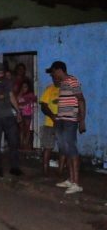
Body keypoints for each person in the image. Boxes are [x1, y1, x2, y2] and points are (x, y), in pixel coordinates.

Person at [48, 61, 86, 194]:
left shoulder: (72, 80)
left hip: (70, 121)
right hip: (61, 120)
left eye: (53, 72)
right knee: (65, 149)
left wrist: (82, 120)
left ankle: (76, 183)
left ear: (59, 70)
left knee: (72, 149)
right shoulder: (63, 83)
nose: (52, 75)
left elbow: (81, 99)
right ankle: (70, 179)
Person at [39, 70, 65, 176]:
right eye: (53, 78)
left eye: (57, 78)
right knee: (47, 147)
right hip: (50, 123)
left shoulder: (66, 90)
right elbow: (43, 106)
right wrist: (53, 116)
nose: (55, 80)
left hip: (63, 123)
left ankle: (60, 171)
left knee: (63, 148)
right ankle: (45, 170)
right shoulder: (49, 89)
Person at [17, 80, 36, 150]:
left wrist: (25, 102)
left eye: (25, 87)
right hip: (20, 113)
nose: (24, 88)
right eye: (22, 87)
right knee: (21, 129)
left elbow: (34, 100)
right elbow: (16, 101)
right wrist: (20, 93)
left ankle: (26, 143)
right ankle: (21, 143)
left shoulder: (30, 94)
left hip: (27, 113)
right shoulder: (19, 94)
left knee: (27, 129)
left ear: (28, 87)